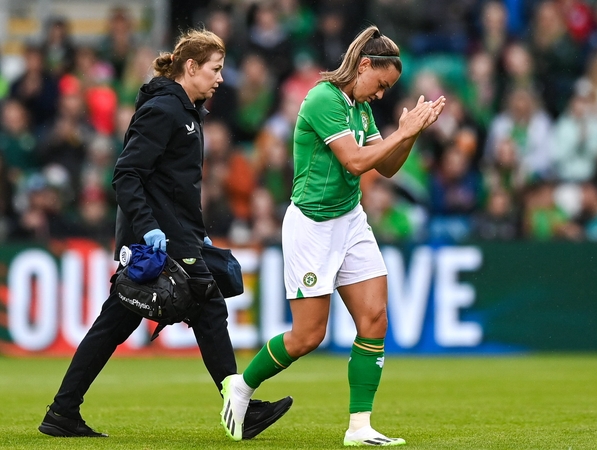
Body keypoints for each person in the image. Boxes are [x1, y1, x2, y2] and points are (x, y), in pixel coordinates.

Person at [38, 29, 292, 439]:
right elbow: (126, 175)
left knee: (121, 322)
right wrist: (151, 228)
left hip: (175, 234)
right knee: (206, 307)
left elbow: (170, 185)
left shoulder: (187, 111)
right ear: (190, 67)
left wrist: (197, 234)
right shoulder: (165, 111)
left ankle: (62, 411)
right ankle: (240, 407)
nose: (221, 79)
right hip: (156, 238)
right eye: (215, 69)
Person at [218, 25, 445, 446]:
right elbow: (357, 161)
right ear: (363, 66)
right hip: (312, 226)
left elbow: (388, 167)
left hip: (350, 218)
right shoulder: (324, 98)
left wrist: (411, 133)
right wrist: (404, 131)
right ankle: (241, 387)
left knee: (375, 318)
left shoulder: (361, 108)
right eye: (381, 84)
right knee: (307, 336)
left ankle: (359, 427)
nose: (381, 95)